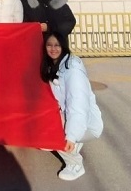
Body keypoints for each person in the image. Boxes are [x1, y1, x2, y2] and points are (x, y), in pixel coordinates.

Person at [41, 30, 103, 181]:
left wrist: (71, 136)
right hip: (69, 117)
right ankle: (72, 141)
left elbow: (78, 105)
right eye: (49, 45)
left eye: (57, 45)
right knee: (44, 135)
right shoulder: (54, 64)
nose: (53, 49)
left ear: (64, 46)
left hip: (87, 123)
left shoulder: (72, 71)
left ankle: (75, 164)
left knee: (53, 135)